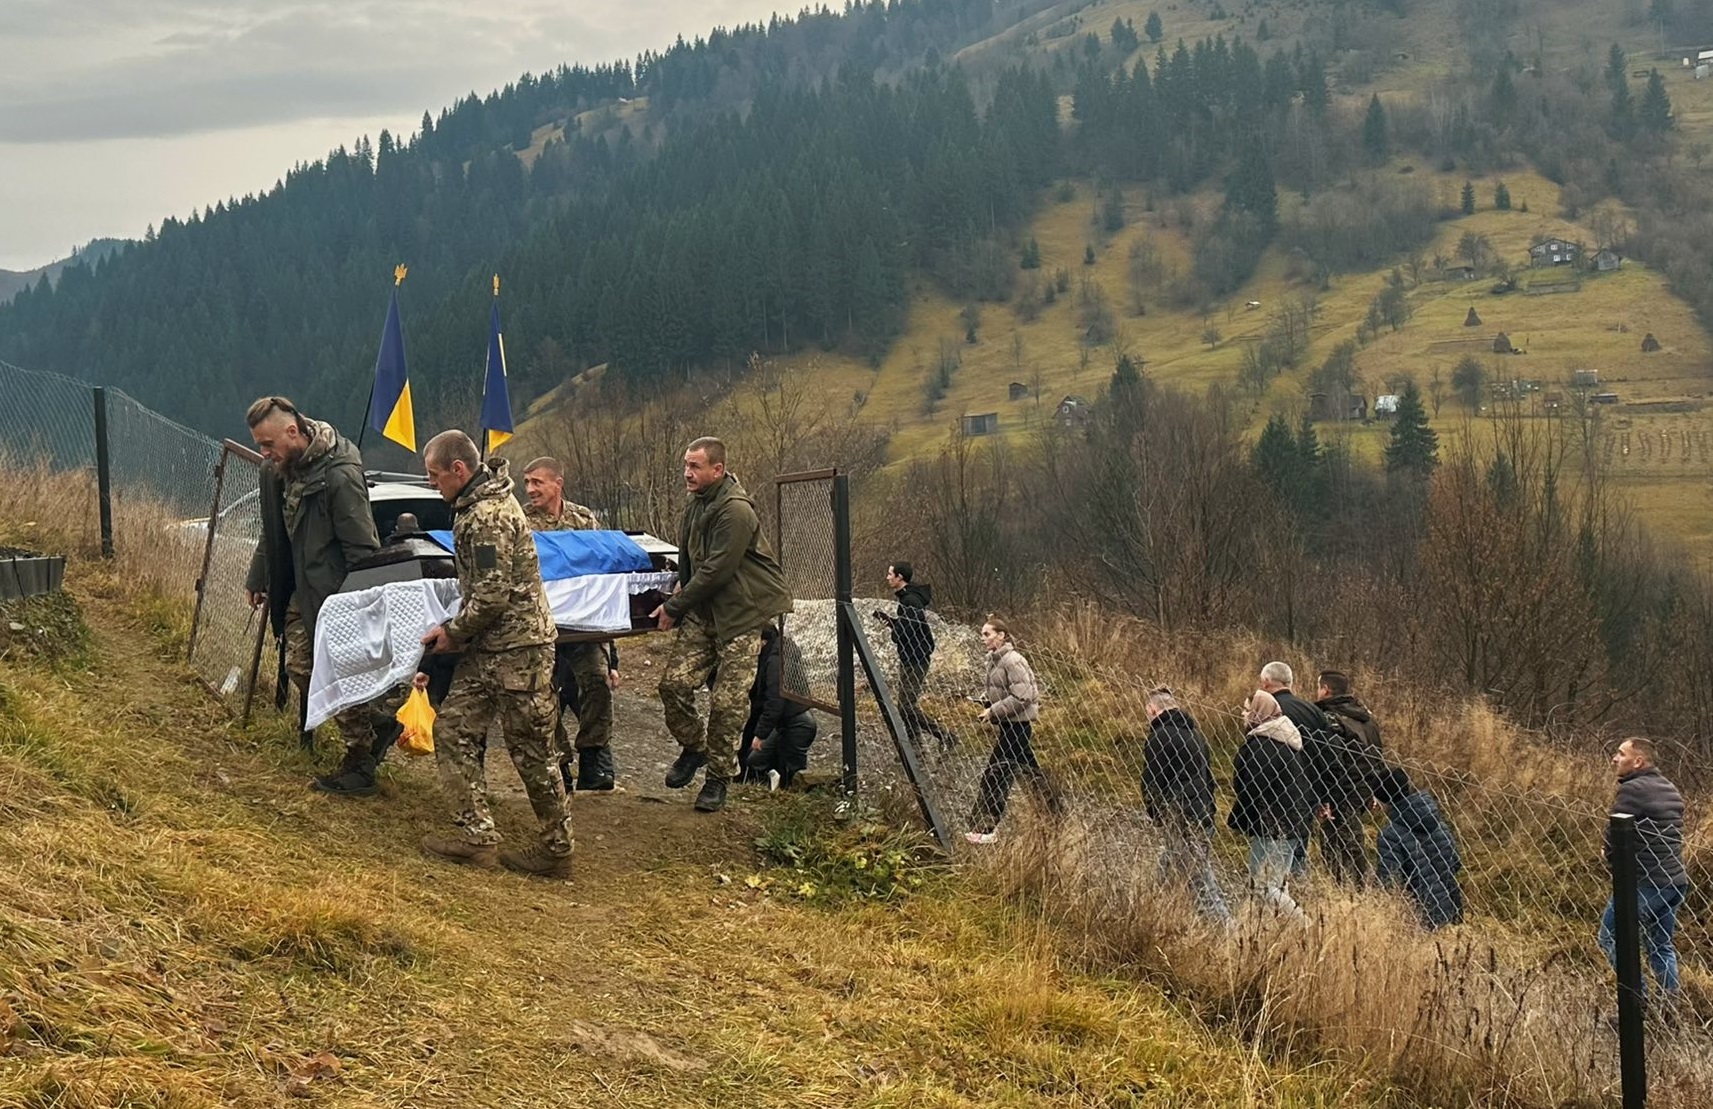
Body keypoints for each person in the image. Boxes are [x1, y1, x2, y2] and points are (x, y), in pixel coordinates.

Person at [415, 431, 574, 878]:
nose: (432, 484)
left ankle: (557, 851)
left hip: (518, 651)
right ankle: (477, 837)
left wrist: (451, 633)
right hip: (489, 649)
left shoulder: (486, 516)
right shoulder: (477, 507)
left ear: (459, 470)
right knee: (453, 730)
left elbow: (491, 596)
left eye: (435, 475)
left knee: (532, 751)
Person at [241, 395, 385, 796]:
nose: (263, 453)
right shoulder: (276, 471)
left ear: (293, 431)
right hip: (297, 593)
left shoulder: (340, 476)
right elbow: (273, 530)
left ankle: (362, 758)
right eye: (258, 445)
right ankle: (373, 729)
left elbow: (362, 549)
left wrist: (357, 608)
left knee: (327, 671)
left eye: (267, 443)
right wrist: (259, 576)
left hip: (334, 595)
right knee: (303, 668)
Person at [653, 437, 794, 814]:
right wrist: (682, 589)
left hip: (741, 616)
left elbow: (717, 569)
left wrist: (675, 607)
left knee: (728, 702)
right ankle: (695, 747)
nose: (687, 472)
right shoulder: (697, 502)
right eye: (686, 464)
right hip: (706, 611)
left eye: (695, 466)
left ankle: (718, 778)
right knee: (673, 685)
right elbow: (687, 556)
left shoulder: (735, 510)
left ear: (718, 469)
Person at [520, 456, 620, 793]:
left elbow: (601, 572)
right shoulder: (520, 520)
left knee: (597, 681)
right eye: (527, 483)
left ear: (557, 483)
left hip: (582, 622)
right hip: (537, 623)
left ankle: (594, 754)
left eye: (537, 482)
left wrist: (613, 655)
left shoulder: (583, 519)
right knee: (541, 694)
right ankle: (558, 762)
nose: (530, 489)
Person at [1261, 661, 1368, 886]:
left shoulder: (1271, 709)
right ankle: (1304, 891)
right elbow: (1328, 758)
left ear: (1266, 682)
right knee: (1302, 848)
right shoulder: (1317, 711)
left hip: (1281, 791)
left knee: (1274, 855)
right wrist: (1323, 795)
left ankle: (1281, 895)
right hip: (1313, 791)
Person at [1598, 737, 1689, 998]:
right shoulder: (1669, 787)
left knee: (1609, 936)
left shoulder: (1633, 789)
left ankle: (1639, 1002)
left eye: (1621, 753)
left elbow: (1616, 830)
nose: (1615, 758)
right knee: (1661, 946)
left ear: (1638, 761)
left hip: (1644, 884)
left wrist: (1608, 853)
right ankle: (1669, 1007)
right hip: (1674, 882)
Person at [1139, 687, 1231, 924]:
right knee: (1170, 865)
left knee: (1199, 878)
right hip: (1202, 809)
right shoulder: (1196, 734)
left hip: (1181, 814)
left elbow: (1153, 780)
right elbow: (1207, 777)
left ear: (1152, 709)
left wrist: (1156, 814)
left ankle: (1224, 927)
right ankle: (1154, 911)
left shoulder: (1159, 737)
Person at [966, 617, 1057, 845]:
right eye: (982, 633)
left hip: (1017, 727)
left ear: (1002, 635)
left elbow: (1023, 696)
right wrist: (987, 702)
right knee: (1031, 774)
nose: (982, 638)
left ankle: (987, 828)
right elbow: (1004, 690)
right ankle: (1054, 813)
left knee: (996, 775)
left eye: (987, 634)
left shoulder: (1013, 661)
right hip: (1009, 726)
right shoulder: (995, 660)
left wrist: (992, 711)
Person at [1227, 690, 1313, 919]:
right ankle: (1271, 929)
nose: (1244, 715)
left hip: (1274, 826)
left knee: (1264, 887)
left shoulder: (1264, 745)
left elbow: (1252, 787)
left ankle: (1306, 926)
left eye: (1247, 709)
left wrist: (1240, 818)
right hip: (1292, 822)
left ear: (1258, 712)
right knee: (1277, 884)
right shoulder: (1285, 740)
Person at [872, 561, 956, 751]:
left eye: (890, 574)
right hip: (909, 656)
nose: (887, 577)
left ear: (899, 577)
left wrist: (896, 631)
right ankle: (916, 744)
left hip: (917, 658)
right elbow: (908, 626)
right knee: (905, 705)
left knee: (906, 706)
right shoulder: (906, 599)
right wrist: (891, 622)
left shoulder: (911, 600)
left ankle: (944, 736)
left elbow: (910, 627)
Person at [1372, 766, 1464, 930]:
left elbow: (1389, 881)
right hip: (1451, 905)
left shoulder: (1389, 834)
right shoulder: (1438, 823)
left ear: (1382, 801)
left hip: (1416, 913)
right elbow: (1455, 862)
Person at [740, 624, 817, 790]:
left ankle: (793, 800)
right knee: (757, 760)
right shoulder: (778, 655)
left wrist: (760, 734)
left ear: (763, 641)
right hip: (789, 722)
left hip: (797, 724)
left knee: (792, 770)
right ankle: (769, 792)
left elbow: (775, 700)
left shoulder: (775, 660)